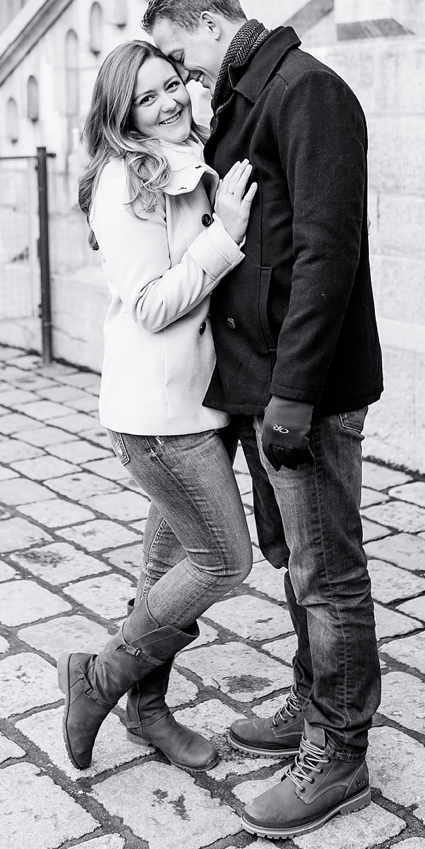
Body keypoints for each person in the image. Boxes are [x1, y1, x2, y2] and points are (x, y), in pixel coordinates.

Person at [144, 0, 383, 839]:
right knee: (297, 563)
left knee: (328, 572)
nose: (180, 78)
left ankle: (341, 748)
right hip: (264, 390)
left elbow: (328, 254)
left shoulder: (309, 90)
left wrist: (291, 397)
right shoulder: (250, 95)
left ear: (211, 23)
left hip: (304, 393)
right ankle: (313, 699)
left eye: (181, 56)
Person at [58, 39, 256, 775]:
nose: (170, 101)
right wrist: (223, 234)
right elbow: (151, 304)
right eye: (149, 96)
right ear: (122, 114)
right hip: (160, 417)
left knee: (162, 573)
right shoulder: (124, 180)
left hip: (204, 402)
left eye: (173, 84)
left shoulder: (187, 154)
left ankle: (148, 712)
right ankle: (98, 679)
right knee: (224, 561)